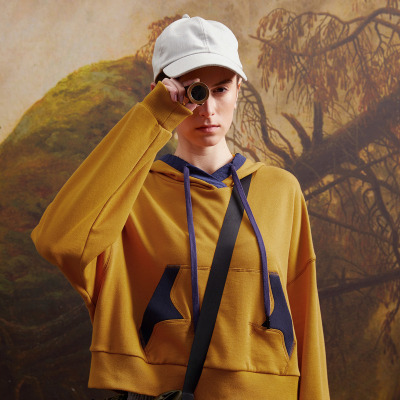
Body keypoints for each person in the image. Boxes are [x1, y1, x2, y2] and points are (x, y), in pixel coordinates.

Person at [31, 15, 330, 399]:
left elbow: (306, 318)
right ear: (160, 91)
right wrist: (154, 116)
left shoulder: (281, 190)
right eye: (194, 92)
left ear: (239, 89)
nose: (208, 109)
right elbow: (57, 241)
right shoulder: (132, 195)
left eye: (221, 89)